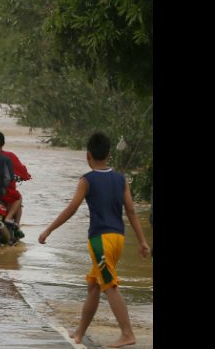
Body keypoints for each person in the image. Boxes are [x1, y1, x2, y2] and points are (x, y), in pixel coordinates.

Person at [39, 132, 151, 348]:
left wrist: (48, 230)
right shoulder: (121, 179)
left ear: (88, 155)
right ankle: (80, 332)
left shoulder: (86, 180)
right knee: (94, 286)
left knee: (110, 286)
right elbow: (131, 211)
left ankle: (127, 333)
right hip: (118, 239)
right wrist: (142, 241)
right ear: (108, 155)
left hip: (100, 241)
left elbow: (72, 209)